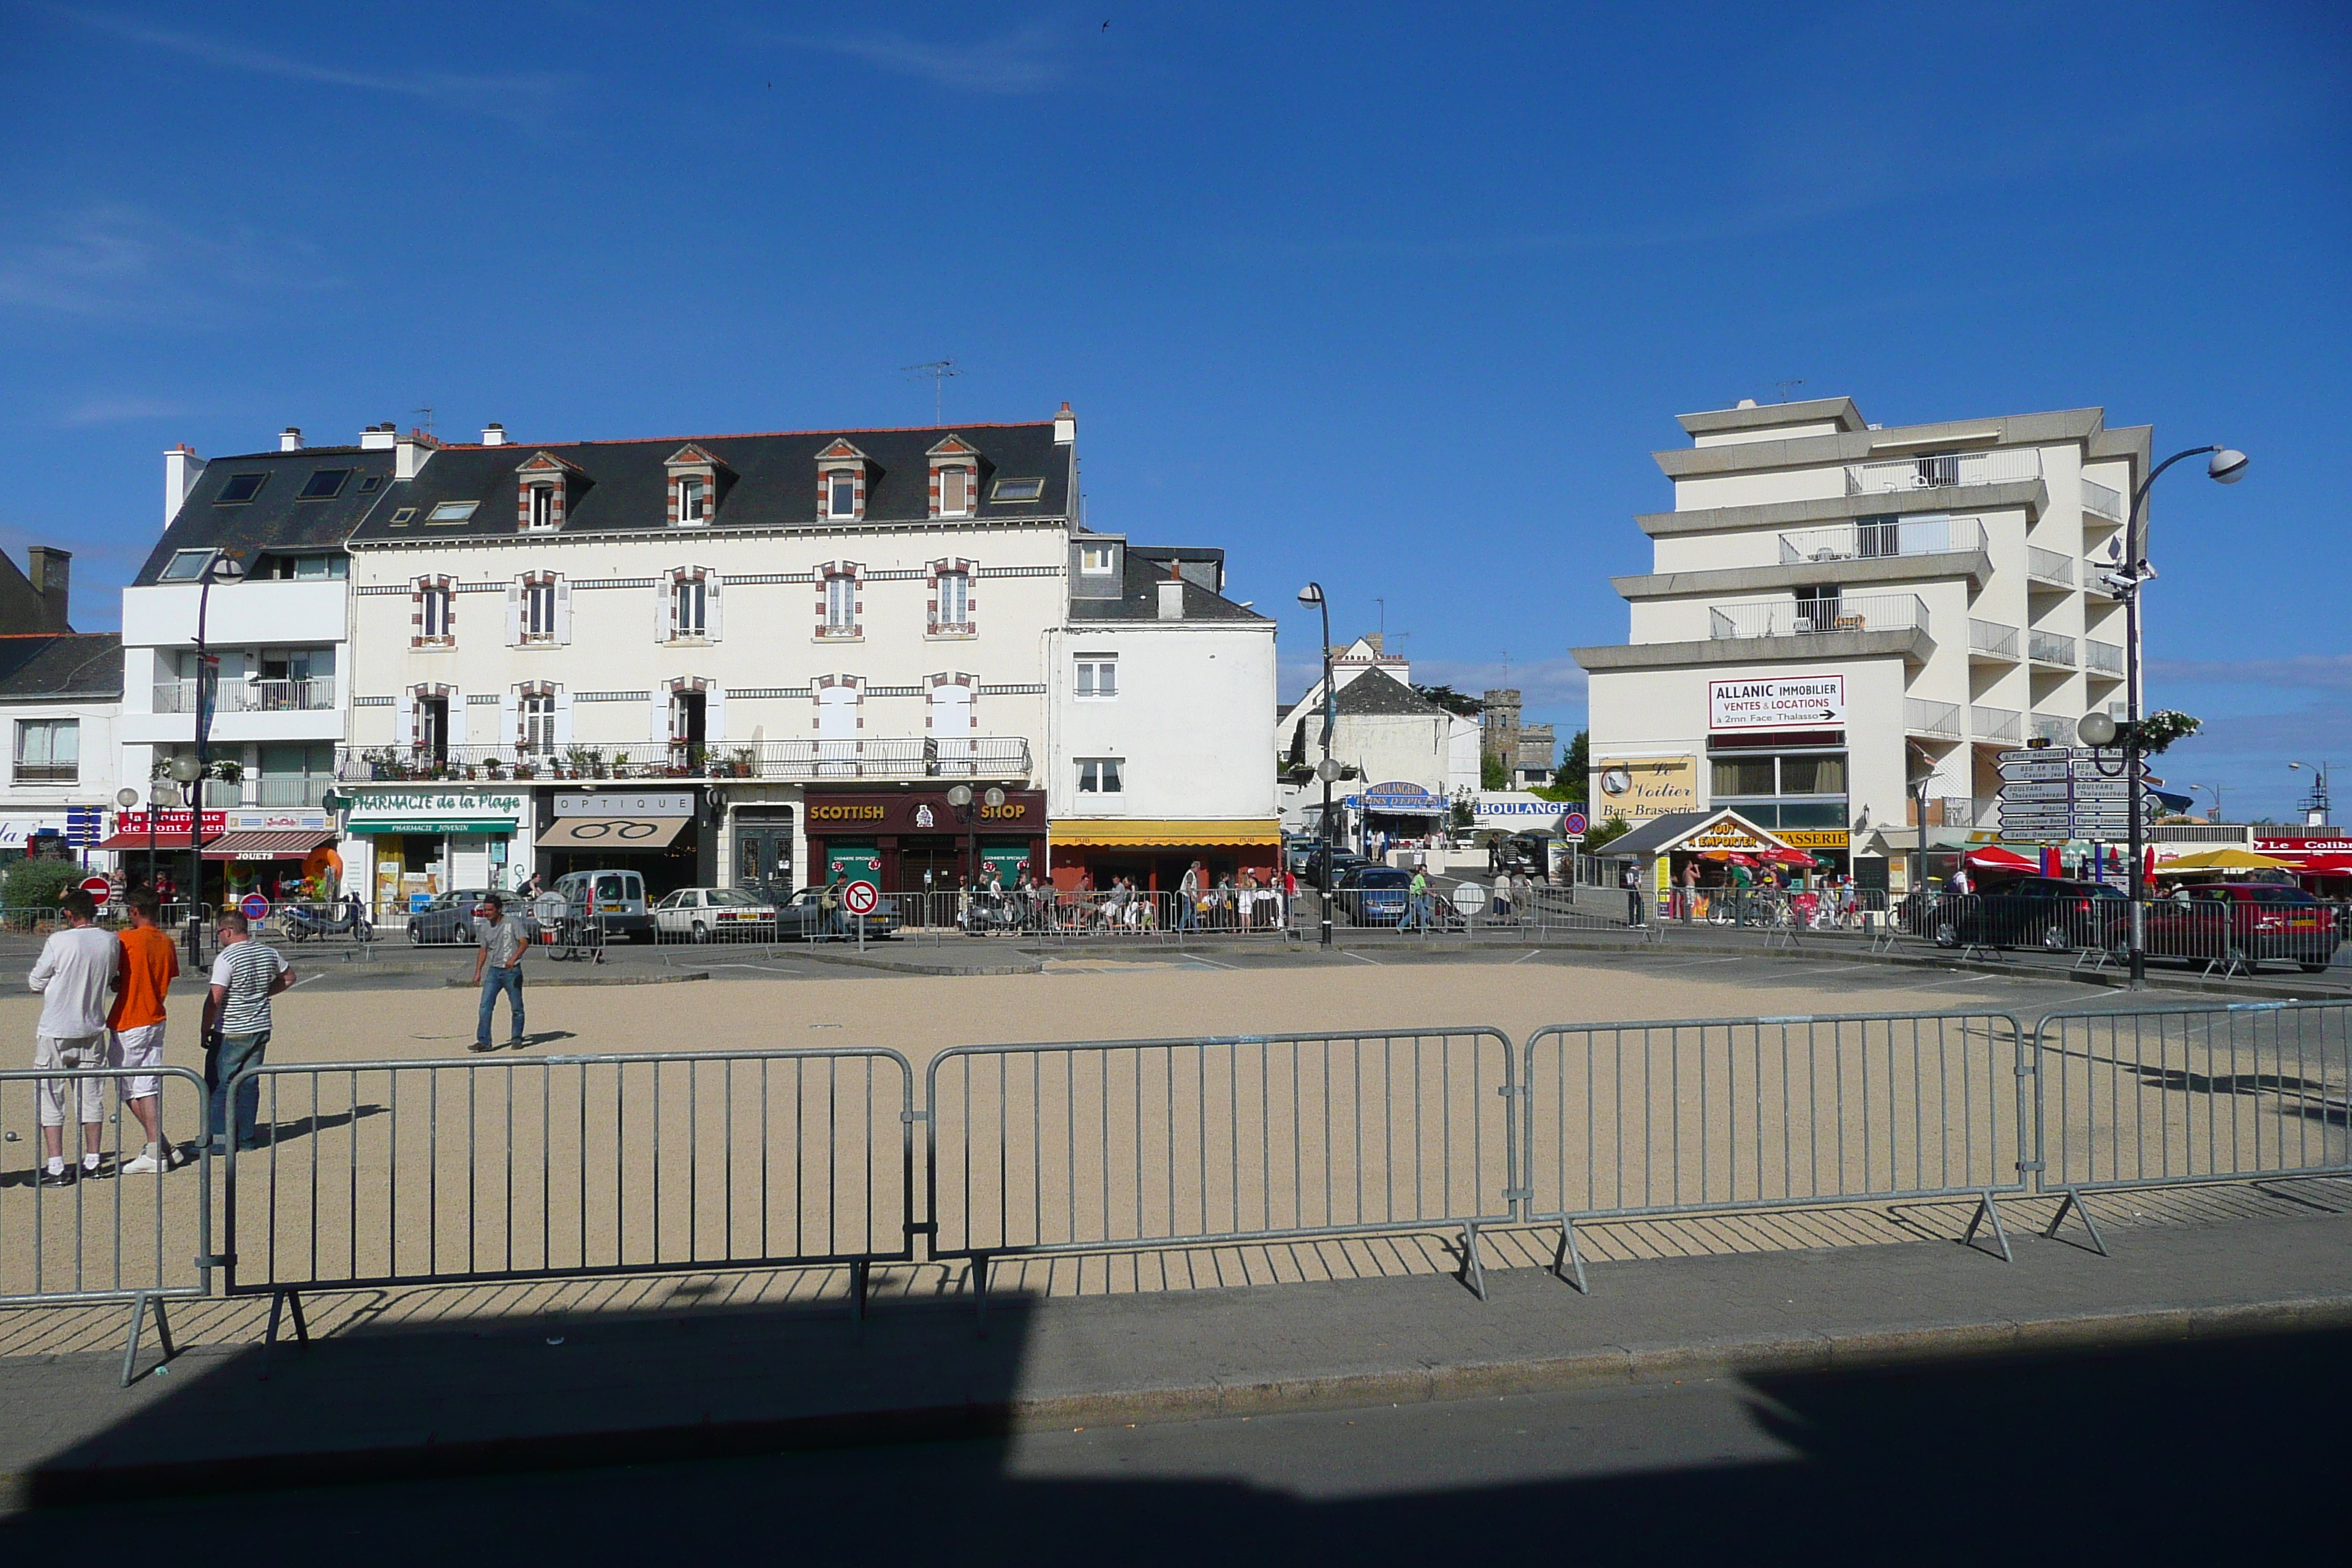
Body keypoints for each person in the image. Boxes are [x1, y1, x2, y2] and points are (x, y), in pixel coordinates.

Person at [29, 888, 120, 1186]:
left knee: (50, 1095)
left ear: (69, 914)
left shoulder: (59, 940)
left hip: (56, 1026)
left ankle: (56, 1164)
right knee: (91, 1096)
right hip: (91, 1025)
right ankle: (92, 1160)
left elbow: (35, 980)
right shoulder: (110, 940)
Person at [109, 889, 189, 1173]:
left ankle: (155, 1148)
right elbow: (160, 975)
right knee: (147, 1084)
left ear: (134, 910)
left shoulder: (127, 939)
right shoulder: (166, 942)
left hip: (131, 1018)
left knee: (131, 1087)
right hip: (155, 1015)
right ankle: (163, 1146)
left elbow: (116, 972)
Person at [203, 910, 293, 1153]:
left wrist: (205, 1029)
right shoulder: (267, 952)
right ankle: (246, 1138)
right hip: (260, 1024)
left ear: (228, 931)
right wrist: (264, 993)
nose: (220, 936)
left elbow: (215, 998)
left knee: (222, 1083)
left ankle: (220, 1139)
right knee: (249, 1082)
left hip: (233, 1028)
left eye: (220, 931)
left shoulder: (226, 958)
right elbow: (288, 977)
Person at [470, 892, 530, 1052]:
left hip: (512, 971)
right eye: (485, 910)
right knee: (485, 1006)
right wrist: (478, 972)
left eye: (490, 910)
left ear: (499, 910)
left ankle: (517, 1038)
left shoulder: (512, 923)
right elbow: (483, 950)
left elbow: (524, 943)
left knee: (516, 1007)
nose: (487, 913)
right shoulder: (484, 927)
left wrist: (514, 958)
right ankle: (484, 1041)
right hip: (494, 971)